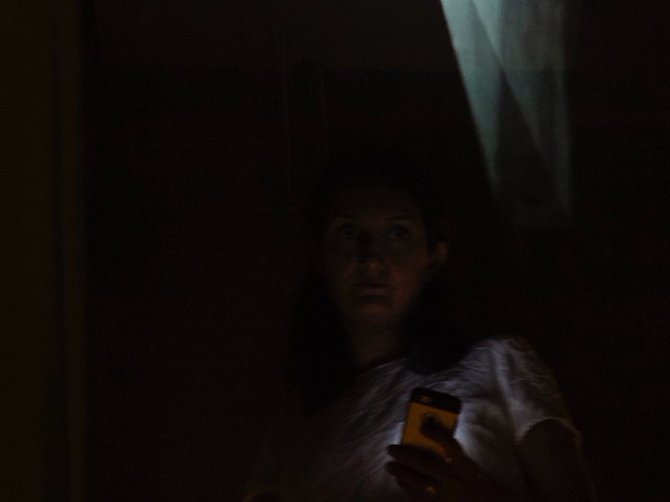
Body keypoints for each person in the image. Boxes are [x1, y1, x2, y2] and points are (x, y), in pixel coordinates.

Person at [245, 148, 599, 502]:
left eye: (398, 234)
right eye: (348, 233)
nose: (372, 260)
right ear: (320, 256)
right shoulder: (296, 418)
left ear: (432, 258)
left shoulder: (498, 365)